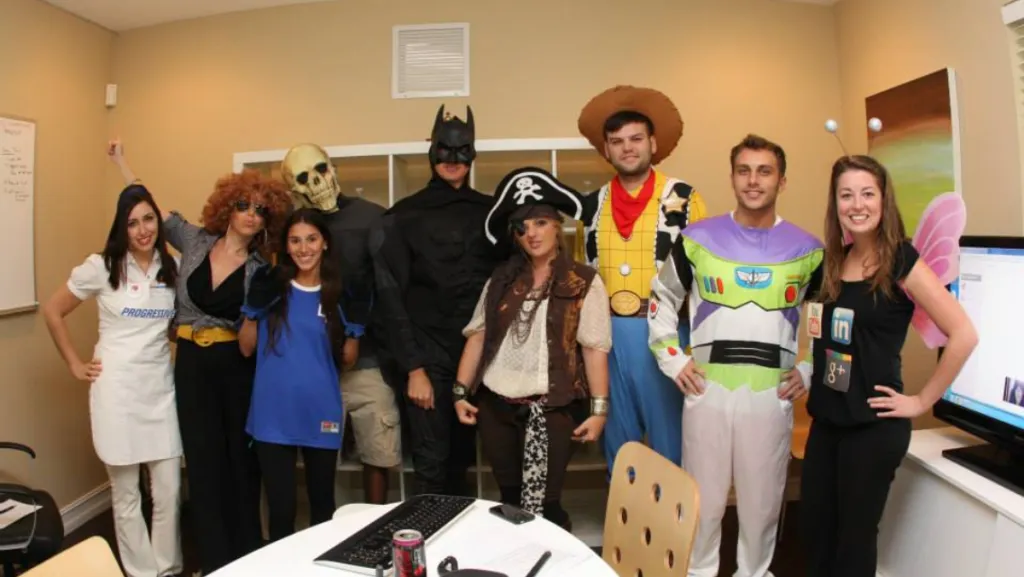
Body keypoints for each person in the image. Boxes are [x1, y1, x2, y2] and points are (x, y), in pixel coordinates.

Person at [107, 141, 292, 574]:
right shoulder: (193, 239)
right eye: (244, 204)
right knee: (203, 464)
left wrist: (255, 310)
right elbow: (146, 206)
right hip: (190, 365)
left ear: (267, 221)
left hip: (237, 369)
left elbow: (253, 337)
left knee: (241, 465)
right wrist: (121, 162)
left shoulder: (262, 269)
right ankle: (213, 562)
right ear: (228, 206)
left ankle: (248, 559)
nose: (250, 213)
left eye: (260, 210)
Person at [648, 134, 823, 577]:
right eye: (744, 170)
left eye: (764, 171)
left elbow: (825, 318)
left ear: (782, 181)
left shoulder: (809, 250)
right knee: (702, 503)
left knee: (762, 505)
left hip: (770, 395)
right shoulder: (696, 239)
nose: (753, 180)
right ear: (732, 177)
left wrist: (807, 367)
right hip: (708, 389)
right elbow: (662, 298)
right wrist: (674, 360)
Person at [800, 155, 977, 577]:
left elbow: (964, 333)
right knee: (816, 535)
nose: (856, 204)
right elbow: (827, 337)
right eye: (846, 195)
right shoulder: (831, 262)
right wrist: (803, 371)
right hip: (826, 424)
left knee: (854, 543)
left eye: (867, 193)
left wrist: (920, 401)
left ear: (883, 200)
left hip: (873, 428)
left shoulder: (901, 260)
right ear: (835, 202)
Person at [452, 167, 611, 530]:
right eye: (522, 228)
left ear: (557, 225)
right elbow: (476, 336)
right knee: (510, 499)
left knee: (546, 504)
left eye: (540, 223)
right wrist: (460, 392)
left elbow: (594, 348)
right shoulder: (501, 278)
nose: (532, 234)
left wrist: (599, 410)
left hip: (552, 409)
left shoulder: (584, 281)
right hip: (496, 408)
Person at [42, 184, 182, 577]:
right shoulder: (101, 266)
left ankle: (167, 569)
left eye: (148, 219)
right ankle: (141, 573)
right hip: (116, 391)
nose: (142, 230)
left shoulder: (168, 266)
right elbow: (53, 311)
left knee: (169, 489)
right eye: (132, 222)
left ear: (158, 219)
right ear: (121, 228)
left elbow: (170, 326)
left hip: (159, 390)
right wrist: (74, 364)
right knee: (126, 495)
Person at [575, 85, 708, 474]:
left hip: (665, 333)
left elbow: (704, 276)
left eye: (636, 139)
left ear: (652, 142)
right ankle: (627, 533)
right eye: (617, 142)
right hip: (608, 338)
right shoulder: (593, 203)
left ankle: (676, 533)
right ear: (606, 150)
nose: (627, 148)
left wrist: (696, 345)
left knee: (672, 446)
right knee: (620, 447)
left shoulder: (683, 197)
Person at [371, 104, 504, 496]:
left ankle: (457, 554)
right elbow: (389, 295)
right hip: (427, 360)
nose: (453, 159)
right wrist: (413, 368)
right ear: (431, 151)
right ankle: (425, 551)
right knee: (431, 463)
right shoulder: (403, 217)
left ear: (473, 153)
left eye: (462, 150)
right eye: (444, 149)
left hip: (480, 359)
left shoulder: (491, 214)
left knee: (464, 461)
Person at [280, 142, 400, 504]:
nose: (317, 183)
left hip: (369, 361)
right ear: (294, 189)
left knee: (378, 451)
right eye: (304, 178)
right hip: (315, 364)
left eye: (321, 170)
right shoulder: (296, 230)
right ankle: (325, 534)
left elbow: (393, 287)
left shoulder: (373, 217)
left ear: (333, 169)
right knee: (319, 458)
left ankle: (377, 531)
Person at [240, 208, 358, 541]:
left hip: (320, 410)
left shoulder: (338, 292)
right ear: (286, 246)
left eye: (311, 239)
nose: (303, 248)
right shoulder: (271, 286)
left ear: (325, 243)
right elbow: (246, 348)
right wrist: (251, 311)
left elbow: (347, 360)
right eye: (295, 240)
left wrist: (356, 330)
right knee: (281, 511)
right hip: (272, 414)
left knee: (323, 507)